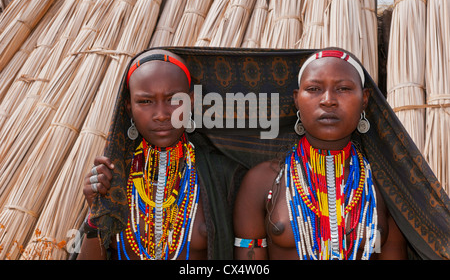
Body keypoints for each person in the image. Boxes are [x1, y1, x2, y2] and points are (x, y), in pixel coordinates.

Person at [233, 48, 408, 260]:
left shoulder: (383, 183)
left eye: (343, 88)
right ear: (297, 99)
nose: (328, 100)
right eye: (314, 88)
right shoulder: (262, 181)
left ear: (364, 100)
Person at [77, 49, 246, 260]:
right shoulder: (114, 177)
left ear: (191, 101)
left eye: (174, 99)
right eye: (145, 102)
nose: (161, 115)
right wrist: (97, 211)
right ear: (129, 107)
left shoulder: (225, 176)